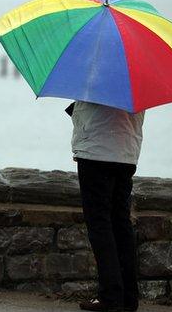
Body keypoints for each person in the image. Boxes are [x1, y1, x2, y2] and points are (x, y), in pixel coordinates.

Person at [67, 100, 145, 312]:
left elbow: (93, 118)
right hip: (126, 154)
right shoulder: (136, 78)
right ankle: (128, 297)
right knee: (121, 224)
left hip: (95, 154)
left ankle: (110, 296)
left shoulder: (92, 74)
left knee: (99, 224)